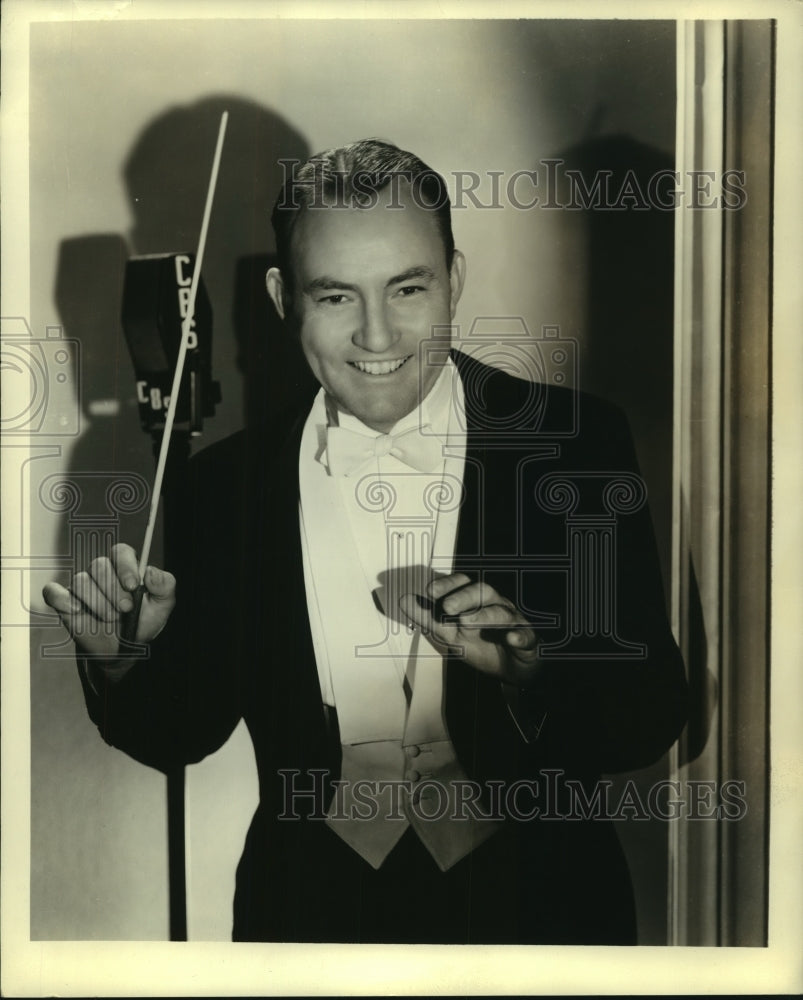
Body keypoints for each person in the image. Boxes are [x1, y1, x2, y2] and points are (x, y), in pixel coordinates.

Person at [43, 139, 688, 944]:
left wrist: (536, 672)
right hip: (306, 919)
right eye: (336, 296)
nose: (377, 337)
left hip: (544, 913)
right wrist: (123, 660)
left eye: (407, 288)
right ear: (284, 297)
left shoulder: (576, 444)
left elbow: (649, 720)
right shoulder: (221, 485)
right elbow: (181, 734)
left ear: (452, 279)